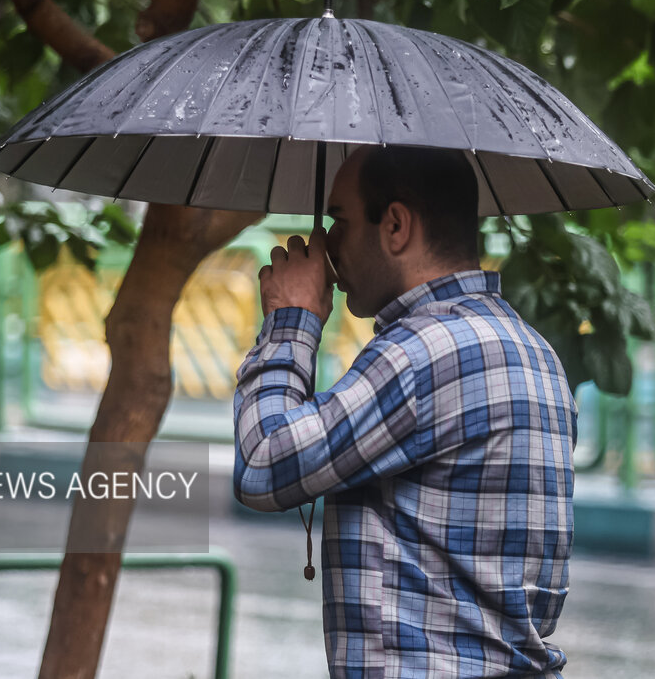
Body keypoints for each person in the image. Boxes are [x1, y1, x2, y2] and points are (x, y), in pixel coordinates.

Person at [233, 145, 575, 678]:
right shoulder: (532, 349)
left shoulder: (423, 354)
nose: (325, 246)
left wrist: (290, 321)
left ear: (395, 225)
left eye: (339, 221)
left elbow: (263, 464)